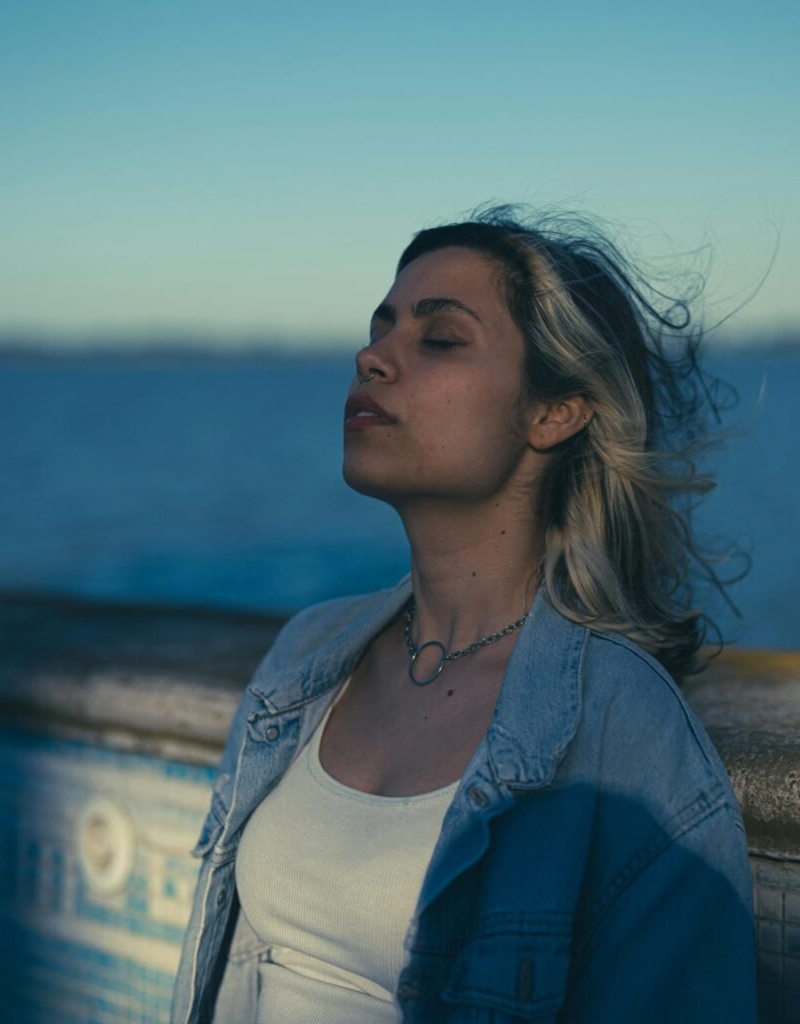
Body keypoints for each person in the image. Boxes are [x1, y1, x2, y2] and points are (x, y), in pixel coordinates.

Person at [170, 205, 757, 1023]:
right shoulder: (311, 654)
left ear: (554, 412)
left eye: (438, 339)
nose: (371, 357)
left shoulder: (625, 731)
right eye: (381, 329)